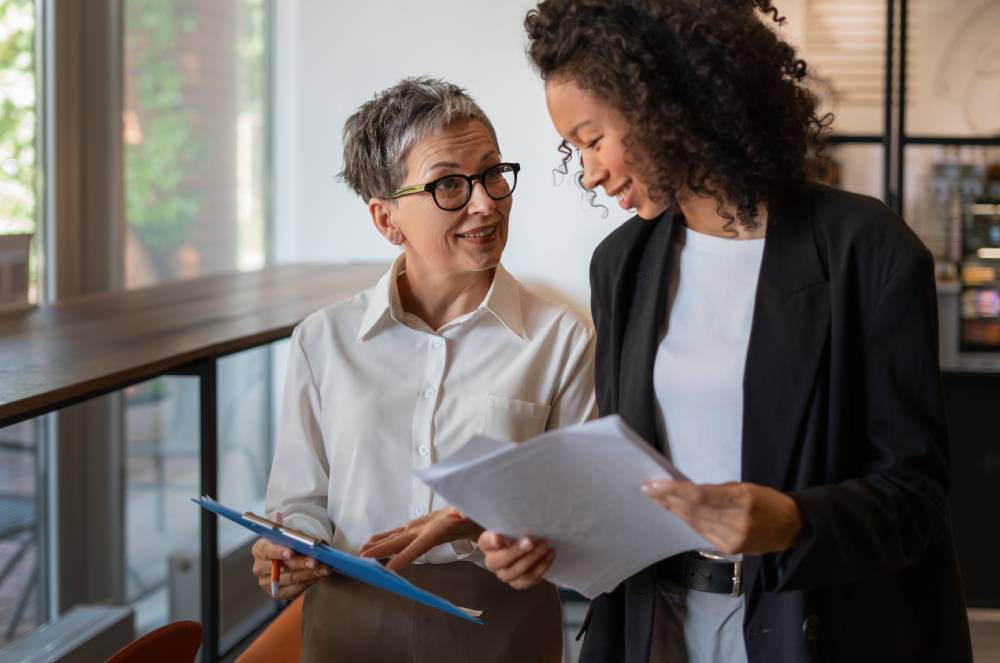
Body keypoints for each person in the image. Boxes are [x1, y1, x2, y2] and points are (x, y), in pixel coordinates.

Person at [478, 1, 975, 662]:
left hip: (816, 626)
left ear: (666, 101)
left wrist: (793, 521)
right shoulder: (622, 264)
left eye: (592, 139)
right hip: (659, 625)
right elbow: (631, 475)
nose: (590, 172)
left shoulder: (869, 251)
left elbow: (914, 498)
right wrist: (545, 538)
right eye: (576, 149)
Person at [250, 77, 596, 663]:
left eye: (491, 173)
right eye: (448, 185)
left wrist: (507, 532)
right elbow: (301, 498)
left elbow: (583, 507)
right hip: (346, 629)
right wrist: (287, 546)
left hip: (499, 631)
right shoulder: (323, 340)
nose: (486, 202)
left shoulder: (562, 339)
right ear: (387, 221)